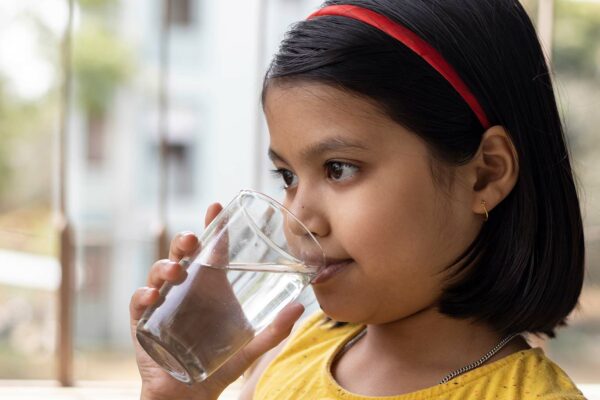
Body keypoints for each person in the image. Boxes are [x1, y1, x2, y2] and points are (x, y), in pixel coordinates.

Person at [129, 1, 587, 399]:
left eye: (338, 169)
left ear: (486, 174)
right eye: (287, 175)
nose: (299, 218)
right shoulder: (290, 357)